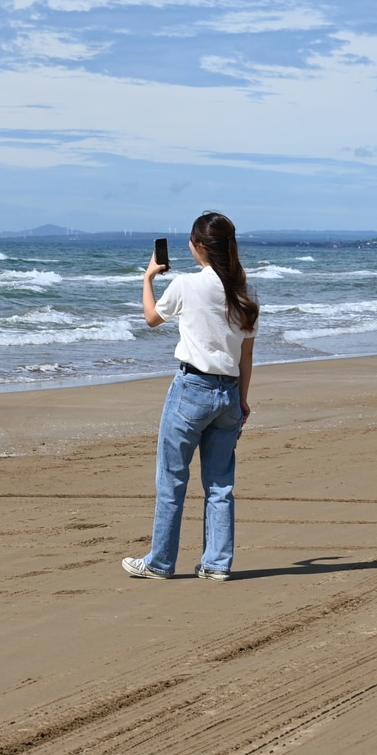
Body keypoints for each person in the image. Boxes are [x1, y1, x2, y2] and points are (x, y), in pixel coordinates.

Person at [122, 212, 258, 581]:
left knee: (172, 479)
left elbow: (151, 318)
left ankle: (160, 562)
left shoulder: (186, 284)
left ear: (199, 246)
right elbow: (246, 356)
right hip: (229, 392)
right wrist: (243, 399)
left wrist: (148, 277)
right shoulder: (243, 293)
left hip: (192, 389)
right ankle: (216, 563)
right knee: (219, 485)